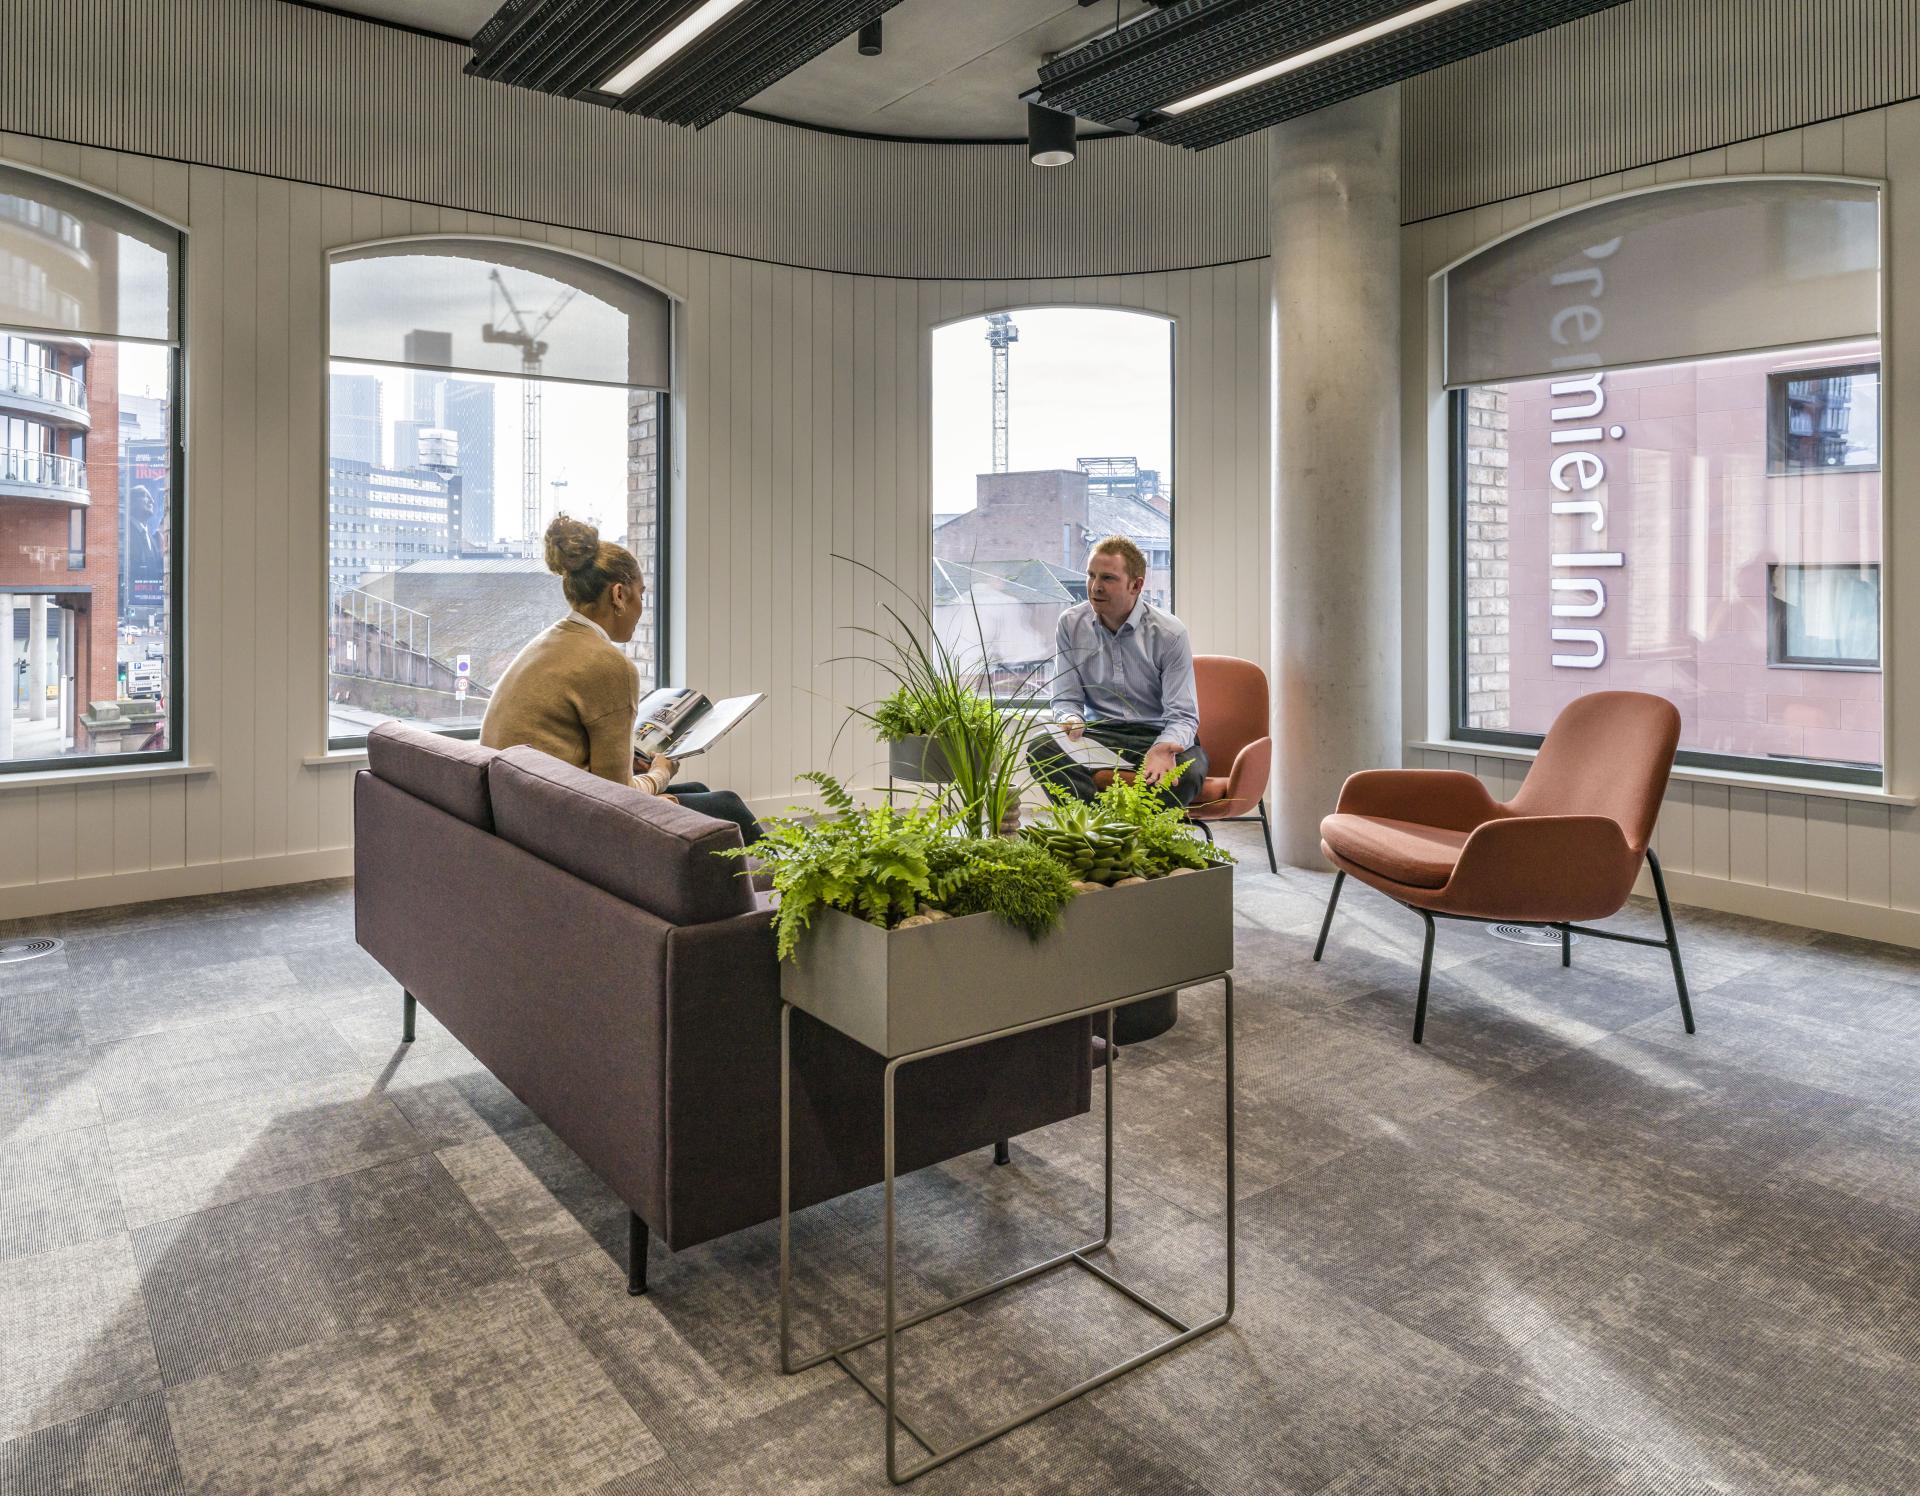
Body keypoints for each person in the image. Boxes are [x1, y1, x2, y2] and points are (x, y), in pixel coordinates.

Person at [481, 514, 762, 844]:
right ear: (618, 594)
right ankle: (797, 889)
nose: (641, 606)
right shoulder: (608, 664)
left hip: (519, 806)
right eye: (640, 594)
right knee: (726, 805)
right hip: (559, 820)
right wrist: (660, 774)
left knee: (698, 793)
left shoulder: (548, 642)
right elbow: (615, 795)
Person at [1027, 534, 1208, 808]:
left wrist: (1162, 749)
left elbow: (1183, 716)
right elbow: (1065, 699)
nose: (1095, 587)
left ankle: (1119, 833)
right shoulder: (1071, 624)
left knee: (1188, 775)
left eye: (1108, 578)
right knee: (1042, 748)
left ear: (1136, 585)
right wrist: (1071, 718)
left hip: (1155, 733)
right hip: (1101, 735)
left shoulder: (1170, 633)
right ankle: (1099, 831)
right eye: (1091, 575)